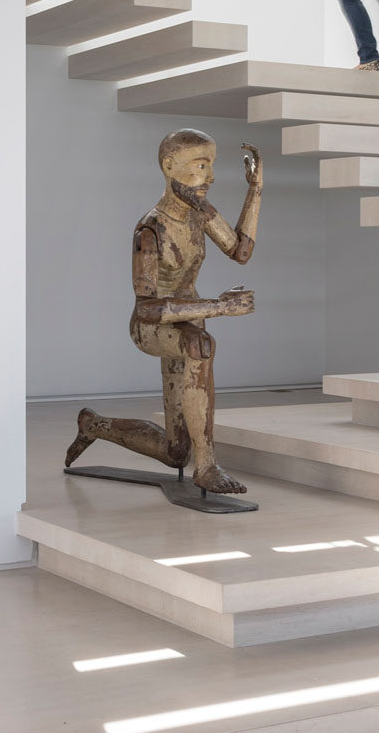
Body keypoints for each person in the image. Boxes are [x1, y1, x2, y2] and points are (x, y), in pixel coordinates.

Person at [64, 128, 262, 495]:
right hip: (151, 328)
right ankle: (206, 467)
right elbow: (149, 308)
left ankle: (93, 425)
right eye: (200, 166)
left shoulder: (199, 212)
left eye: (211, 166)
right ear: (170, 167)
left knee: (175, 452)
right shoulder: (150, 230)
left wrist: (255, 190)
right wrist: (220, 307)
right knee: (200, 345)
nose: (211, 177)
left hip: (187, 322)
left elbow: (241, 252)